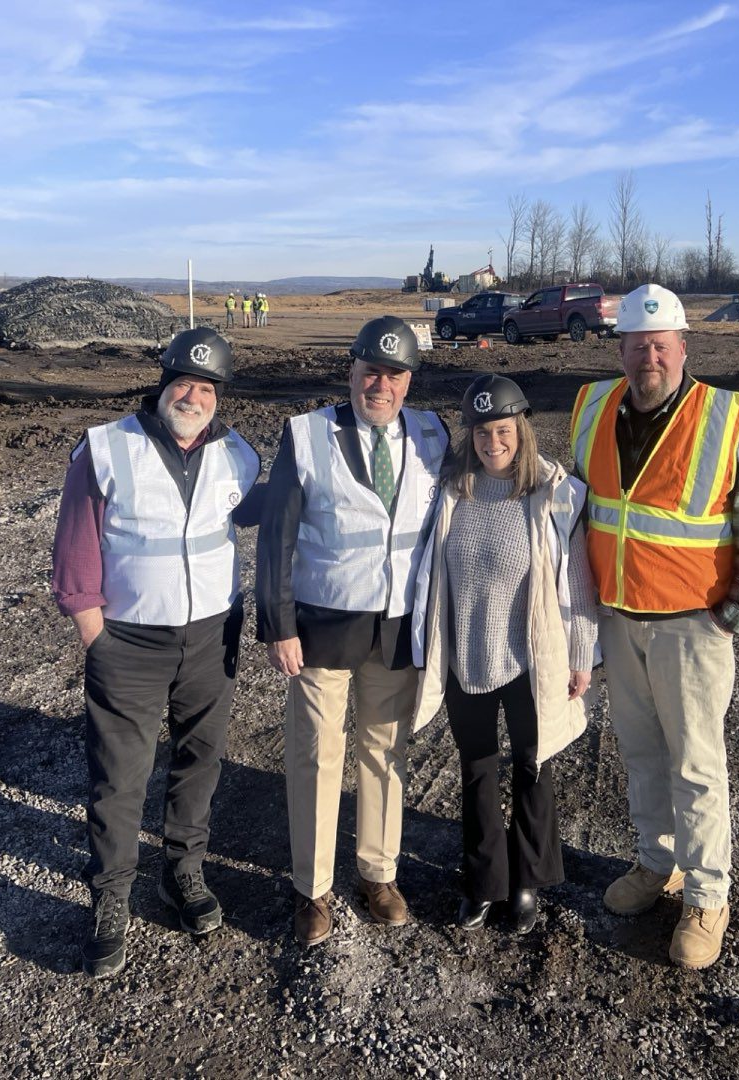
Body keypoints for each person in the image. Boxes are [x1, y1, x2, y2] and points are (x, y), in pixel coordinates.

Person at [569, 284, 739, 970]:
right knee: (641, 753)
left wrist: (728, 619)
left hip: (692, 626)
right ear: (622, 349)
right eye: (637, 345)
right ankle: (654, 862)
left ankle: (708, 895)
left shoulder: (723, 417)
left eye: (660, 345)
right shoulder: (593, 406)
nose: (648, 357)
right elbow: (575, 508)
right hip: (619, 619)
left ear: (683, 347)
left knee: (696, 766)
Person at [51, 327, 261, 979]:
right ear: (162, 383)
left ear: (218, 397)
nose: (193, 396)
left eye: (206, 387)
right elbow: (74, 555)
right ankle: (110, 899)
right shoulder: (107, 449)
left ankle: (183, 875)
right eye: (184, 382)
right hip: (129, 645)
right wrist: (98, 639)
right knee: (120, 777)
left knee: (199, 762)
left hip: (211, 637)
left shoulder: (237, 455)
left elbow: (269, 511)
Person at [256, 315, 449, 947]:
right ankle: (312, 889)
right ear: (352, 371)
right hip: (322, 625)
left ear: (409, 381)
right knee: (317, 753)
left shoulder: (432, 434)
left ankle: (378, 873)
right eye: (372, 371)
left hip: (396, 626)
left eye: (395, 375)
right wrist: (279, 624)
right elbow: (277, 538)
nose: (382, 384)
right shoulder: (306, 435)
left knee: (384, 752)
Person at [411, 375, 596, 933]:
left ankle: (526, 881)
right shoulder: (450, 491)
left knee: (532, 767)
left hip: (530, 656)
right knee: (477, 772)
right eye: (483, 431)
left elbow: (578, 577)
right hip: (467, 652)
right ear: (470, 435)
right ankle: (484, 880)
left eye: (504, 430)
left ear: (521, 430)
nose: (494, 442)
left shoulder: (552, 492)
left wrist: (581, 653)